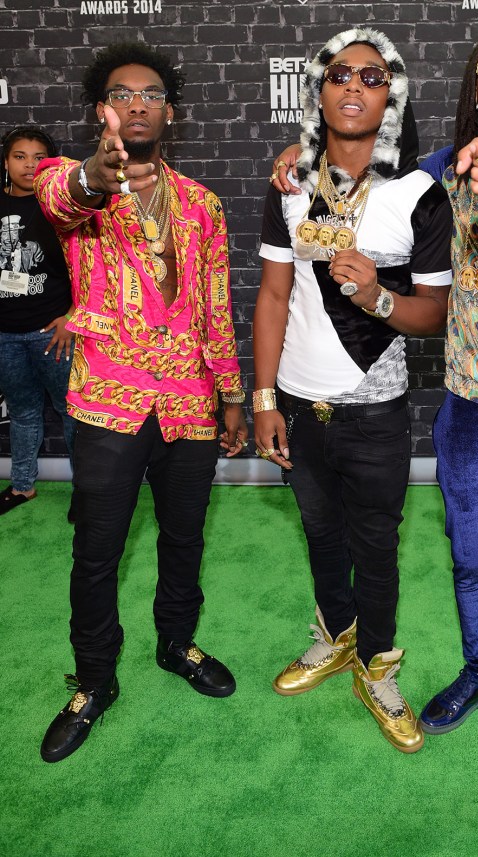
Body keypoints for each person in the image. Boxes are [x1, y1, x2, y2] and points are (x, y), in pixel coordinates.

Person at [272, 24, 478, 850]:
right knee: (468, 560)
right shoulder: (441, 172)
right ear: (474, 86)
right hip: (464, 409)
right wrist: (301, 150)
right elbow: (356, 160)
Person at [34, 42, 248, 764]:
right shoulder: (73, 181)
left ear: (170, 112)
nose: (137, 103)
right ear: (102, 108)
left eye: (151, 94)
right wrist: (97, 176)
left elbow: (216, 304)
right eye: (122, 93)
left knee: (184, 538)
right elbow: (67, 198)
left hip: (188, 403)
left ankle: (176, 644)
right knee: (96, 552)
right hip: (108, 400)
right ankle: (94, 680)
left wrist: (231, 396)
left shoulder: (202, 204)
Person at [254, 27, 452, 754]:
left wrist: (377, 298)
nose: (354, 86)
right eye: (340, 73)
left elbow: (437, 311)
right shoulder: (290, 182)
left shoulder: (421, 194)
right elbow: (274, 296)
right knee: (319, 534)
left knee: (377, 546)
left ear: (392, 96)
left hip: (374, 409)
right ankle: (335, 638)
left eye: (372, 77)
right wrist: (266, 399)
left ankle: (378, 669)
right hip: (300, 407)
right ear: (319, 91)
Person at [0, 126, 76, 516]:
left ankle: (88, 492)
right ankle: (23, 485)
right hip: (5, 336)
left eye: (37, 157)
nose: (29, 165)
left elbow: (87, 269)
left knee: (71, 411)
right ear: (6, 161)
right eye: (19, 156)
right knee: (23, 410)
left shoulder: (60, 207)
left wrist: (71, 317)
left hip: (53, 332)